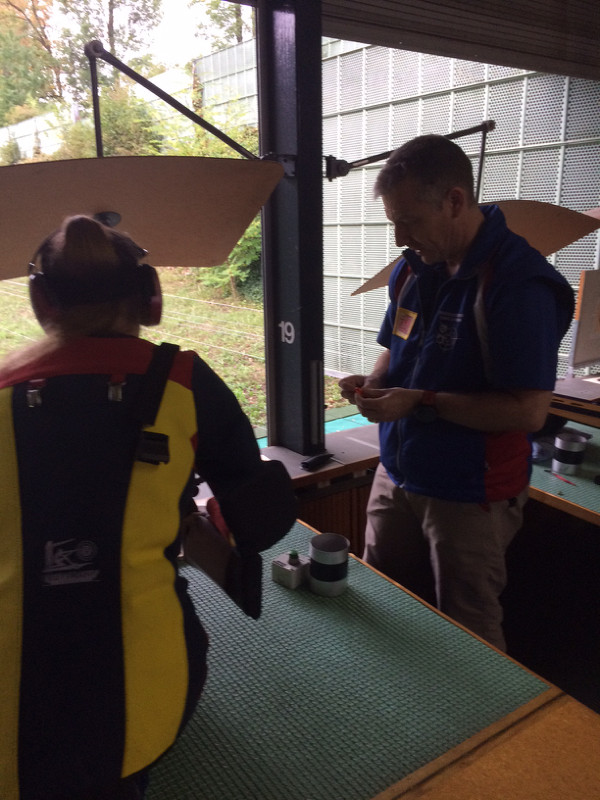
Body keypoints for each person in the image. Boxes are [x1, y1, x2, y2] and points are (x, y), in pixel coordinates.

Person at [0, 215, 297, 800]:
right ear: (149, 297)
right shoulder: (183, 381)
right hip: (146, 701)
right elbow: (263, 522)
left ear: (41, 300)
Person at [339, 134, 574, 651]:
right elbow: (395, 348)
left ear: (454, 201)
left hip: (471, 492)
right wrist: (375, 383)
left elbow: (529, 412)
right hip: (398, 469)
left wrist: (420, 401)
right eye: (393, 222)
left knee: (470, 630)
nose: (400, 238)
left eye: (409, 221)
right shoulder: (412, 270)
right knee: (380, 599)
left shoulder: (518, 285)